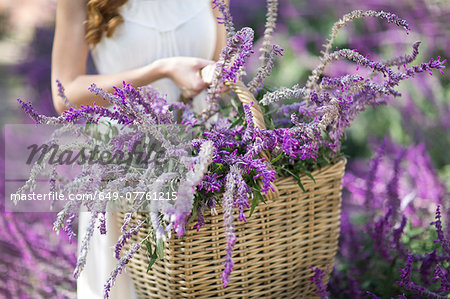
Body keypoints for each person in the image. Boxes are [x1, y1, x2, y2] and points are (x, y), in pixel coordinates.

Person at [50, 0, 227, 298]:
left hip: (208, 160)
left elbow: (223, 56)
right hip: (127, 169)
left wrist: (216, 76)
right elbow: (65, 92)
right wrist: (162, 70)